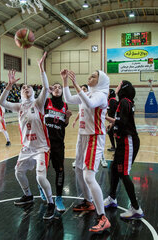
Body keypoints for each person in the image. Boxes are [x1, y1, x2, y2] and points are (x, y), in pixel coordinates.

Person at [0, 52, 55, 220]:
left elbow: (45, 87)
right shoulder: (18, 107)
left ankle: (50, 203)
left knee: (40, 177)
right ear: (21, 93)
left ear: (32, 91)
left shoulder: (38, 103)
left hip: (41, 148)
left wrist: (41, 69)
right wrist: (9, 86)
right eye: (23, 87)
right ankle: (28, 195)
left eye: (28, 87)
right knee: (18, 172)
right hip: (27, 148)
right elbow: (1, 103)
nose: (26, 88)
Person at [62, 69, 111, 233]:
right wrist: (65, 81)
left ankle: (102, 217)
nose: (89, 77)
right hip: (82, 137)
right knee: (78, 170)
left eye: (94, 76)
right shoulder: (87, 94)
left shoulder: (101, 95)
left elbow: (90, 104)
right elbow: (68, 98)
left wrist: (76, 84)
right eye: (89, 75)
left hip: (94, 137)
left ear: (101, 80)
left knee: (88, 176)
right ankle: (88, 201)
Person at [104, 80, 144, 220]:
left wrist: (105, 118)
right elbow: (119, 121)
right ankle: (112, 198)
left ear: (124, 88)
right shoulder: (123, 102)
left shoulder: (125, 102)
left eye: (119, 84)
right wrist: (112, 125)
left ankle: (136, 208)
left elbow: (122, 122)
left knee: (123, 173)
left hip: (128, 141)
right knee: (114, 169)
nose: (117, 86)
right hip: (122, 141)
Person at [42, 82, 72, 212]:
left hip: (59, 144)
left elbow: (63, 125)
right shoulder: (46, 102)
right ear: (51, 90)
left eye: (60, 87)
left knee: (60, 171)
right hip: (45, 144)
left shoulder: (65, 105)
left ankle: (59, 198)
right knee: (43, 170)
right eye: (55, 87)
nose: (58, 89)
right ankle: (41, 188)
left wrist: (68, 118)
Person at [71, 84, 89, 168]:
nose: (83, 91)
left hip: (90, 128)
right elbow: (79, 112)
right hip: (82, 127)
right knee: (79, 145)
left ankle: (101, 159)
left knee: (90, 146)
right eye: (82, 89)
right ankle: (78, 160)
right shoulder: (80, 101)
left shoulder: (91, 100)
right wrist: (75, 120)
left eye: (84, 89)